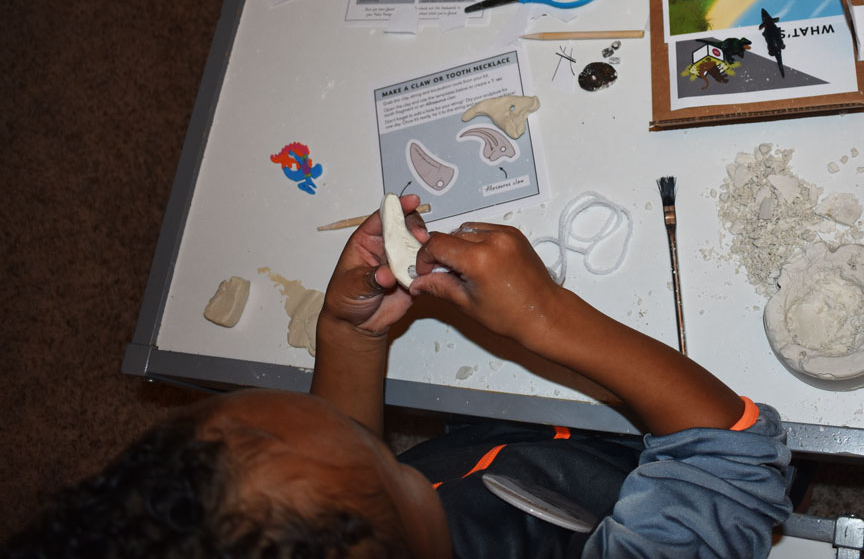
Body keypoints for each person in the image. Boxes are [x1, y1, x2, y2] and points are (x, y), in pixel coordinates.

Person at [3, 194, 792, 558]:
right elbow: (732, 461)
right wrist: (547, 316)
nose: (361, 429)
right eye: (384, 457)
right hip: (617, 480)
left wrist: (347, 338)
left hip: (513, 450)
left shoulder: (358, 525)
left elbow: (338, 470)